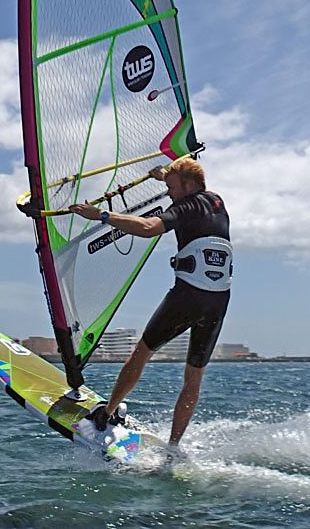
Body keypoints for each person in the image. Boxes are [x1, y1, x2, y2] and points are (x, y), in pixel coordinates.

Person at [67, 157, 233, 447]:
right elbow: (189, 190)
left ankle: (106, 415)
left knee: (142, 352)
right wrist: (165, 176)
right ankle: (173, 448)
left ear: (189, 186)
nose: (168, 193)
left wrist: (102, 216)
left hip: (188, 295)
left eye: (171, 187)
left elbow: (148, 227)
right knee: (193, 378)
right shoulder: (216, 202)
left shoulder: (187, 205)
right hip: (218, 301)